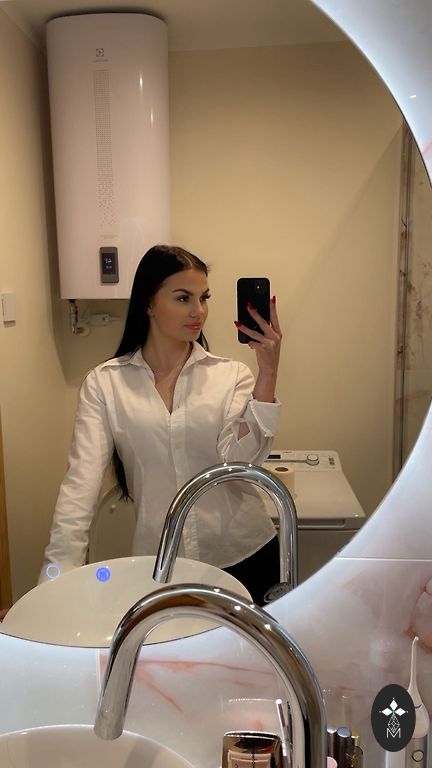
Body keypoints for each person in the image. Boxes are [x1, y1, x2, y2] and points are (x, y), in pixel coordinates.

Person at [39, 245, 282, 604]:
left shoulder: (231, 375)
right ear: (149, 303)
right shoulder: (105, 384)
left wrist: (268, 372)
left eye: (204, 298)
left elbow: (241, 464)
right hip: (162, 564)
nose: (199, 311)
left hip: (244, 555)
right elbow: (80, 488)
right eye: (183, 298)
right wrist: (53, 584)